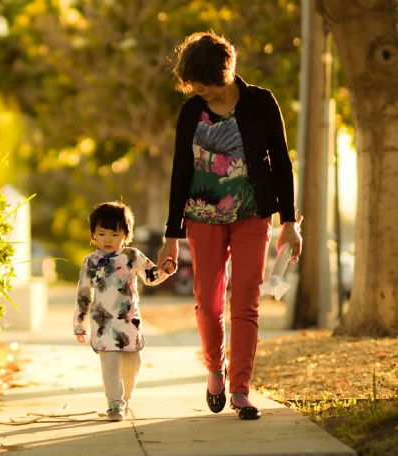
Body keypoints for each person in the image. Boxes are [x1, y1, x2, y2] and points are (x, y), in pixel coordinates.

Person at [157, 32, 302, 420]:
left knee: (245, 302)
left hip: (253, 214)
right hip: (201, 217)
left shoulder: (261, 102)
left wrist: (289, 222)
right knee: (208, 301)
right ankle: (213, 369)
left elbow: (282, 164)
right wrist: (171, 236)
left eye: (203, 83)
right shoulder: (191, 112)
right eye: (193, 84)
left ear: (225, 73)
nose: (197, 89)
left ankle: (240, 388)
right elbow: (180, 172)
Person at [73, 202, 176, 421]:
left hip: (129, 322)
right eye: (101, 233)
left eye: (114, 233)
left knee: (132, 363)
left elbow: (151, 277)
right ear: (93, 235)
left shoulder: (132, 256)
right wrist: (79, 323)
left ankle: (126, 397)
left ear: (126, 235)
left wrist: (165, 270)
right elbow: (83, 294)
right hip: (103, 324)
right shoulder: (91, 262)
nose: (107, 239)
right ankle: (114, 403)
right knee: (109, 365)